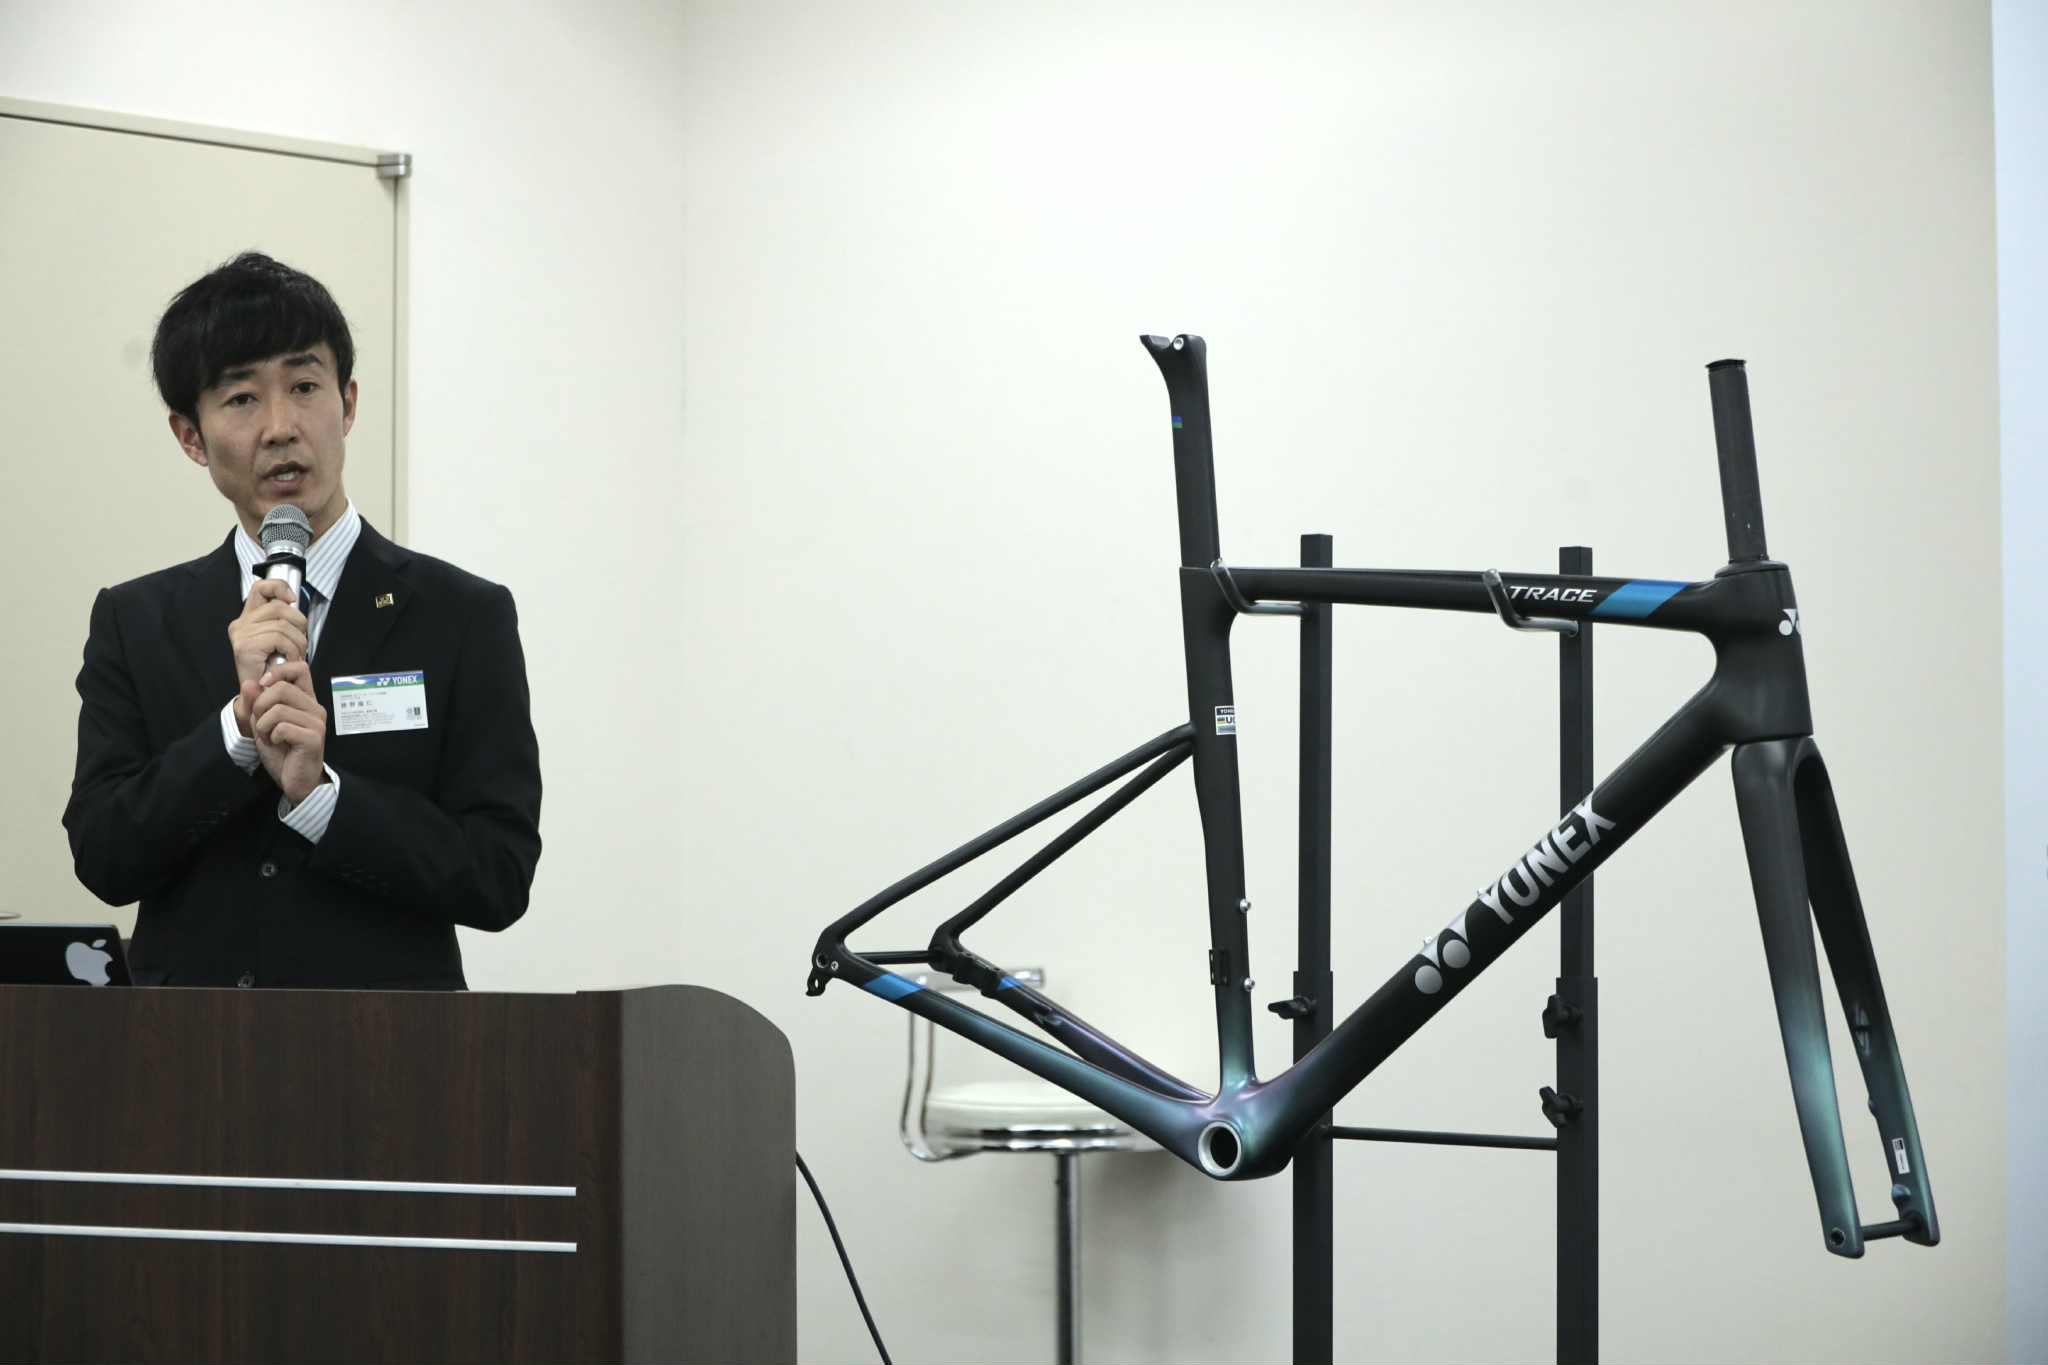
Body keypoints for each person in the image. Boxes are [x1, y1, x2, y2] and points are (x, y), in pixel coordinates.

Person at [63, 252, 541, 989]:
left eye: (305, 386)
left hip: (394, 1047)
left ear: (347, 404)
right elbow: (103, 856)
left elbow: (499, 874)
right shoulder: (136, 620)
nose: (281, 427)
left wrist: (323, 798)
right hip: (186, 1049)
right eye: (241, 398)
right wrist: (234, 735)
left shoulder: (462, 615)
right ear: (190, 437)